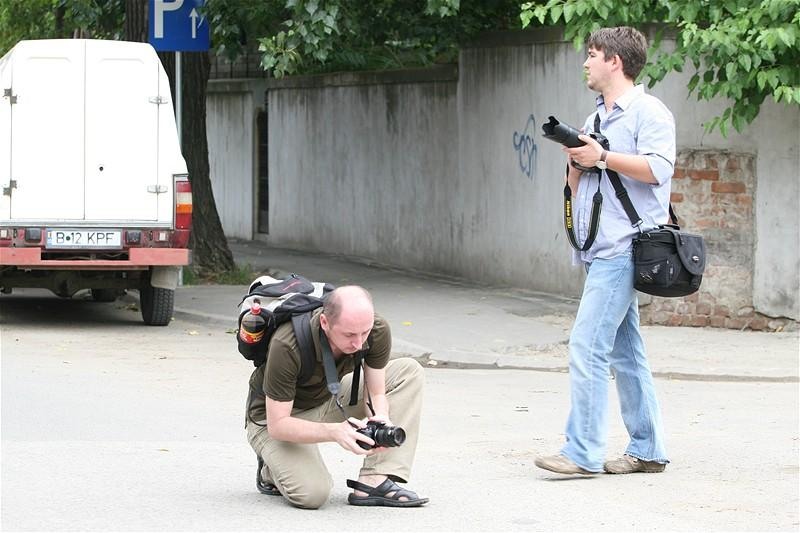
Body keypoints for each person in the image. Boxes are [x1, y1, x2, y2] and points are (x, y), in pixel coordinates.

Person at [535, 26, 674, 475]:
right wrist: (577, 165)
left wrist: (603, 158)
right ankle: (648, 449)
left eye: (593, 54)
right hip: (601, 248)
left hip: (625, 248)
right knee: (625, 353)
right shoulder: (595, 120)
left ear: (615, 61)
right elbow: (580, 191)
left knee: (587, 345)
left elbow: (658, 170)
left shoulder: (649, 112)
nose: (586, 62)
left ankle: (583, 452)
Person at [245, 285, 429, 508]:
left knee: (408, 372)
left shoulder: (376, 329)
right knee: (312, 495)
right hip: (276, 419)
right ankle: (271, 468)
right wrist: (335, 431)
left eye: (364, 332)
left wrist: (381, 417)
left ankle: (374, 480)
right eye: (349, 335)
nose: (359, 343)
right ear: (325, 323)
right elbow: (278, 425)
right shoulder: (287, 344)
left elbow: (376, 392)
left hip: (327, 399)